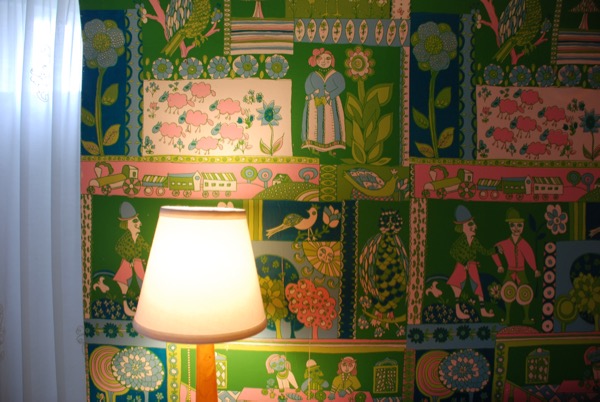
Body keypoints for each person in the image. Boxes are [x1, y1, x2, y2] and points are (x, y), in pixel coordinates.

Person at [492, 208, 540, 324]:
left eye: (519, 225)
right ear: (509, 226)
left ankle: (526, 318)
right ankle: (507, 318)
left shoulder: (524, 244)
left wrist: (535, 269)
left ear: (523, 226)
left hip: (521, 272)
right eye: (513, 225)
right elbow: (493, 251)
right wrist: (499, 265)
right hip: (510, 271)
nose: (516, 228)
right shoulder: (505, 243)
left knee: (525, 293)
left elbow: (530, 256)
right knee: (507, 293)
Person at [447, 205, 495, 319]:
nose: (474, 227)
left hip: (472, 265)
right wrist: (463, 262)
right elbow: (452, 251)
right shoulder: (460, 241)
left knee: (478, 286)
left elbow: (484, 251)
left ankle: (483, 310)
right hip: (462, 265)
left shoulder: (474, 240)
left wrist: (496, 250)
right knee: (457, 285)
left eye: (473, 224)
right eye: (470, 224)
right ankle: (458, 311)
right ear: (462, 227)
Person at [301, 48, 346, 152]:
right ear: (315, 60)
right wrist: (314, 93)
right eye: (320, 58)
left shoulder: (336, 74)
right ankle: (315, 146)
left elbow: (341, 86)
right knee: (314, 123)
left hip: (332, 102)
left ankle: (332, 147)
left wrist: (331, 94)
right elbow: (307, 88)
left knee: (332, 123)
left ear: (332, 60)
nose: (324, 61)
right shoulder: (312, 75)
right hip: (315, 103)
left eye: (327, 58)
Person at [113, 201, 150, 317]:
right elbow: (118, 248)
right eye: (135, 221)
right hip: (128, 263)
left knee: (142, 281)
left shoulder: (139, 238)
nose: (139, 223)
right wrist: (129, 259)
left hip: (138, 263)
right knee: (124, 280)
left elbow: (147, 247)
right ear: (127, 224)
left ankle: (143, 305)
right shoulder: (125, 239)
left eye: (138, 220)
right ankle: (125, 304)